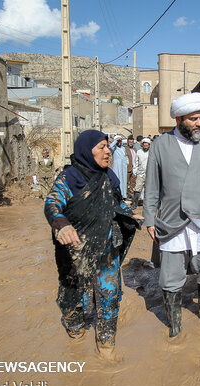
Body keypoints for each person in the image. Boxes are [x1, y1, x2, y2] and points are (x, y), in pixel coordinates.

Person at [143, 92, 200, 338]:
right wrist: (149, 219)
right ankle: (174, 325)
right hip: (173, 221)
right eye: (193, 119)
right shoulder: (161, 145)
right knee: (171, 276)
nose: (198, 123)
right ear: (179, 119)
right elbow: (152, 186)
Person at [44, 130, 141, 352]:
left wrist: (129, 213)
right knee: (73, 296)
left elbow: (116, 201)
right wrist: (60, 222)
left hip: (108, 248)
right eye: (102, 147)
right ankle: (76, 331)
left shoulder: (109, 177)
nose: (108, 151)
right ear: (87, 151)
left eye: (108, 147)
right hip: (77, 250)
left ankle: (106, 345)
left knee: (110, 294)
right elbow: (52, 203)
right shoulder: (70, 178)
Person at [131, 138, 150, 210]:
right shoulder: (139, 152)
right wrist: (135, 171)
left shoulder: (151, 152)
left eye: (146, 145)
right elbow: (136, 162)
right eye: (144, 145)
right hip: (140, 173)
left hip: (149, 174)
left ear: (149, 145)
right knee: (137, 188)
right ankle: (135, 204)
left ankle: (147, 204)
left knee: (148, 189)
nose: (145, 146)